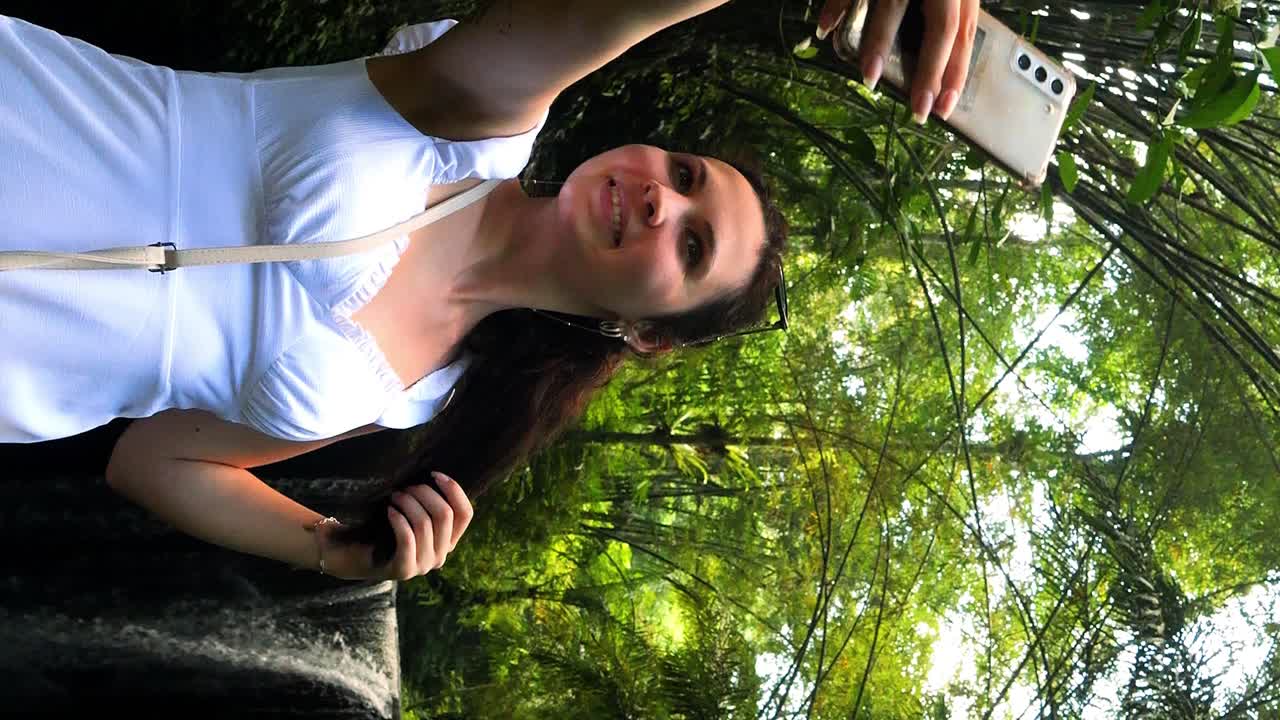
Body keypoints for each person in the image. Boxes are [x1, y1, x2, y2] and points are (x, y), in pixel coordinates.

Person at [0, 0, 978, 582]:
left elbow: (155, 462)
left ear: (639, 334)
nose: (656, 201)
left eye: (689, 245)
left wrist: (336, 551)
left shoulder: (409, 393)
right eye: (682, 175)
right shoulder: (474, 124)